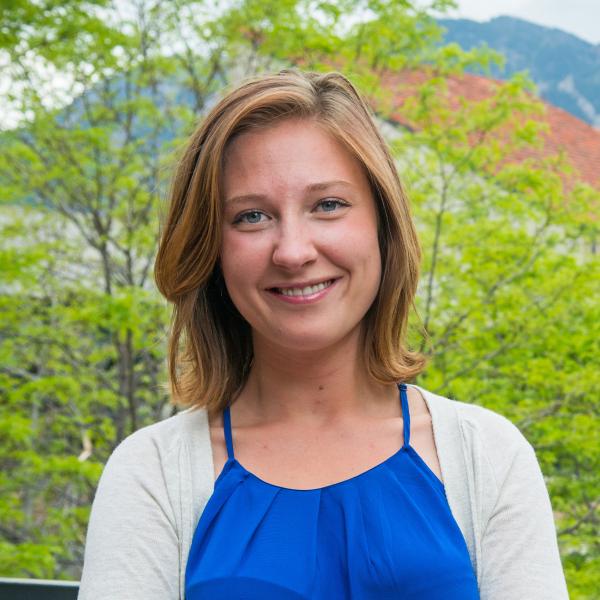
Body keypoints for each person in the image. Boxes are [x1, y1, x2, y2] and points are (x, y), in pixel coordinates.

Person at [78, 70, 568, 599]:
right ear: (211, 251)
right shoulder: (152, 473)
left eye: (328, 205)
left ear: (382, 224)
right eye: (251, 216)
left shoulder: (487, 456)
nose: (292, 251)